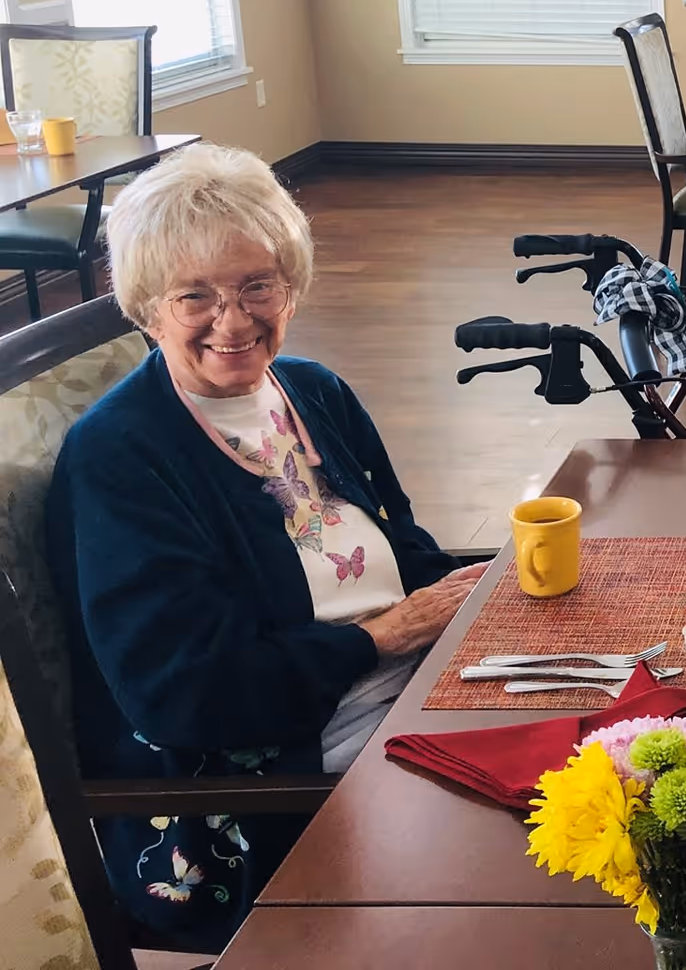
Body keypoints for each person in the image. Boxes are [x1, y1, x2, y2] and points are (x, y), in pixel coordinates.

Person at [45, 144, 486, 950]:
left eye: (257, 284)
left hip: (407, 691)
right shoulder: (121, 459)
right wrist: (380, 638)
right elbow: (186, 697)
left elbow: (406, 554)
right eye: (195, 296)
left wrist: (489, 584)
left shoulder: (312, 389)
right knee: (547, 825)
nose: (235, 319)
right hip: (265, 777)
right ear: (147, 304)